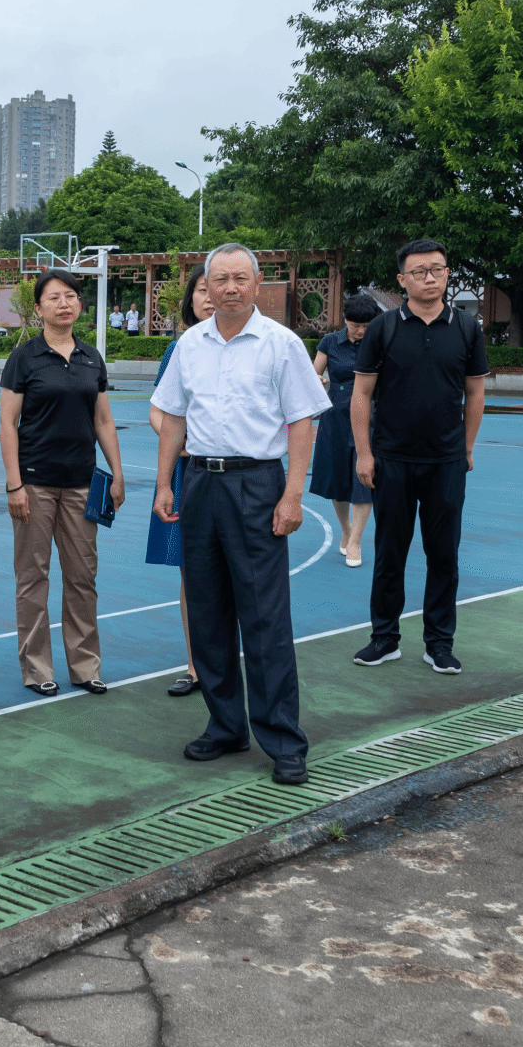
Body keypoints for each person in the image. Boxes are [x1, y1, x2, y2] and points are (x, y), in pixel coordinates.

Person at [152, 244, 330, 784]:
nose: (230, 288)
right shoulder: (189, 344)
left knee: (263, 615)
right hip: (200, 483)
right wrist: (164, 484)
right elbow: (174, 417)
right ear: (206, 285)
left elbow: (302, 423)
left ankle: (283, 740)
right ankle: (225, 726)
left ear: (257, 284)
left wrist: (292, 495)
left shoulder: (281, 344)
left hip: (257, 483)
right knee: (207, 612)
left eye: (240, 278)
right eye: (220, 279)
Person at [350, 239, 489, 676]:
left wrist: (466, 448)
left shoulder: (466, 327)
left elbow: (475, 392)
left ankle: (439, 643)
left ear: (447, 273)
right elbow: (362, 393)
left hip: (446, 462)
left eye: (438, 269)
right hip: (391, 459)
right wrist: (365, 453)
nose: (430, 278)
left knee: (443, 555)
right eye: (420, 271)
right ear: (402, 279)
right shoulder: (383, 328)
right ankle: (384, 638)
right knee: (389, 552)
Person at [0, 270, 127, 697]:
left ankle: (85, 666)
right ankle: (37, 669)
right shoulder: (24, 357)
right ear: (38, 309)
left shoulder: (92, 358)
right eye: (54, 297)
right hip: (34, 484)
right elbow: (8, 424)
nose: (64, 303)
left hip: (82, 485)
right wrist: (14, 485)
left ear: (80, 305)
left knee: (82, 578)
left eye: (70, 296)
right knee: (33, 578)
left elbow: (103, 420)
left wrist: (117, 473)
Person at [150, 268, 213, 697]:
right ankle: (195, 666)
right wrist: (181, 443)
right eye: (202, 290)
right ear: (190, 300)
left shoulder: (263, 344)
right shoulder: (180, 348)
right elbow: (159, 411)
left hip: (241, 474)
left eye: (217, 288)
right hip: (189, 473)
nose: (210, 297)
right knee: (191, 571)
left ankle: (232, 661)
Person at [310, 293, 382, 568]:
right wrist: (317, 378)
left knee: (364, 478)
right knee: (337, 478)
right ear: (345, 320)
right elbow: (313, 374)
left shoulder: (380, 342)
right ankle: (346, 529)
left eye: (366, 325)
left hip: (370, 417)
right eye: (355, 325)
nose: (361, 331)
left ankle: (356, 541)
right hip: (336, 417)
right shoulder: (330, 341)